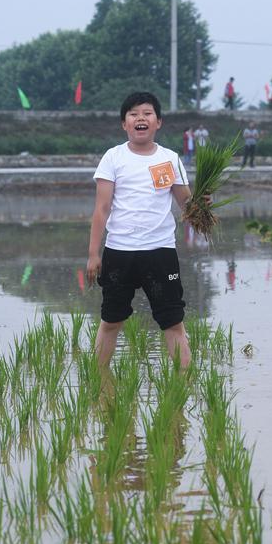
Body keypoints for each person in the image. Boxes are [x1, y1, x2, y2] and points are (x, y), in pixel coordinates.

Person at [86, 91, 192, 368]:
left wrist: (203, 202)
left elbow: (187, 205)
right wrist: (93, 254)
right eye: (133, 114)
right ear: (124, 124)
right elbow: (102, 209)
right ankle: (98, 378)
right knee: (111, 320)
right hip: (119, 252)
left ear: (158, 122)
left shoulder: (170, 159)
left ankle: (185, 383)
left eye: (147, 113)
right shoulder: (113, 157)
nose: (140, 118)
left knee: (173, 322)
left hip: (161, 252)